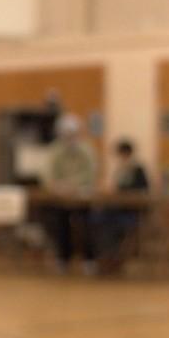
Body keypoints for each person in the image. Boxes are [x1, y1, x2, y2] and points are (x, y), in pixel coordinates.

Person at [44, 113, 98, 274]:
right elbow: (48, 174)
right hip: (61, 198)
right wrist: (58, 186)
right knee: (59, 226)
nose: (69, 138)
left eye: (73, 134)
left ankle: (89, 260)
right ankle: (63, 259)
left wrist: (73, 184)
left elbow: (91, 173)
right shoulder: (55, 151)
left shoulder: (87, 150)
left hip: (83, 197)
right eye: (66, 134)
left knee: (87, 226)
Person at [92, 139, 150, 264]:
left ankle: (115, 257)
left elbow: (143, 190)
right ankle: (105, 257)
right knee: (97, 218)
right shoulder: (120, 170)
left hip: (131, 210)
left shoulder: (138, 170)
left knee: (113, 224)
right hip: (116, 208)